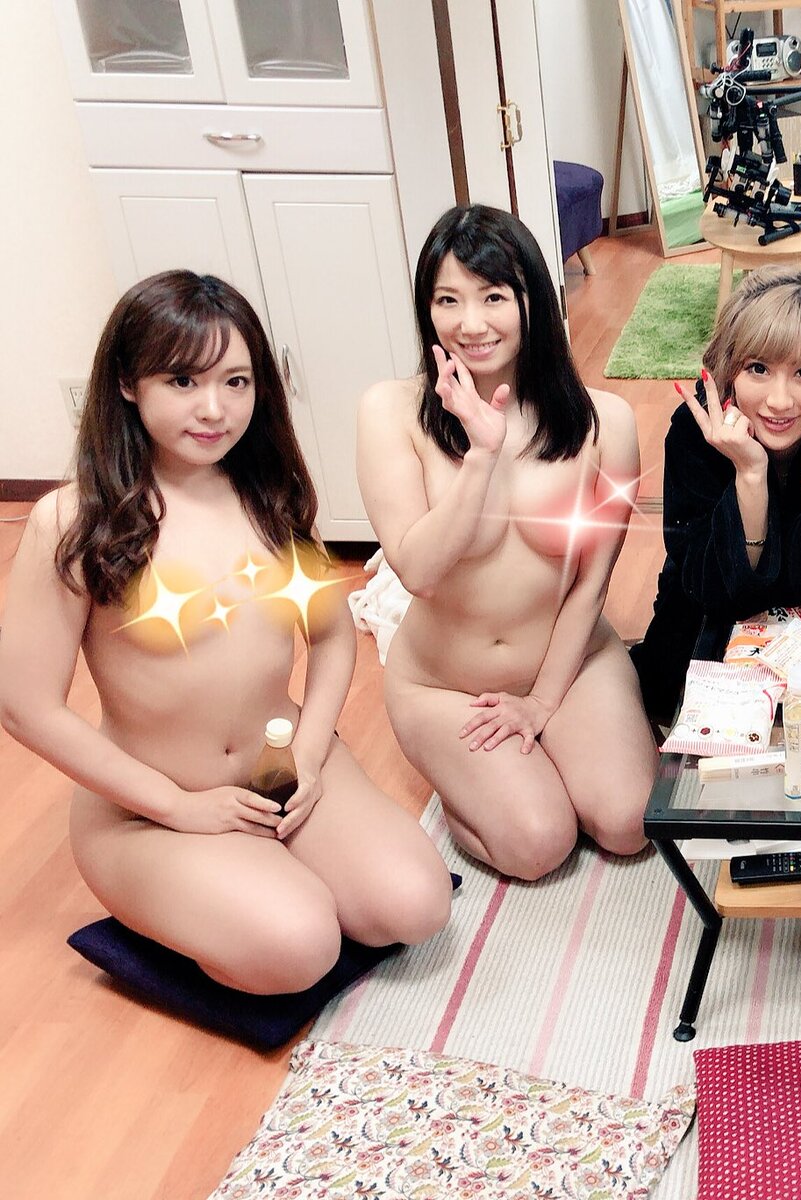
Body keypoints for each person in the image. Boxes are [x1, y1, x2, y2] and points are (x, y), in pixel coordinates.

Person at [0, 270, 450, 995]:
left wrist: (308, 757)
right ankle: (207, 898)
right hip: (150, 807)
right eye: (183, 381)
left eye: (236, 382)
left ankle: (254, 881)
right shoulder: (75, 520)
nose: (215, 409)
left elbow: (333, 638)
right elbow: (25, 707)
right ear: (127, 382)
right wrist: (177, 806)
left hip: (280, 770)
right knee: (301, 944)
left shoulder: (270, 494)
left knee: (416, 906)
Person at [358, 205, 655, 880]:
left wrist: (543, 703)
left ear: (533, 301)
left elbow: (592, 584)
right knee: (538, 844)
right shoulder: (390, 412)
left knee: (629, 823)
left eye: (493, 296)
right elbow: (418, 571)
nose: (471, 323)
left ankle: (542, 755)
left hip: (572, 663)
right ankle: (472, 784)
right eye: (448, 300)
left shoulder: (606, 422)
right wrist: (481, 456)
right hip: (446, 686)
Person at [629, 266, 801, 723]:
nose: (779, 400)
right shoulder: (694, 432)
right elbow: (709, 590)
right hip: (705, 633)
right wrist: (750, 475)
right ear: (729, 368)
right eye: (758, 368)